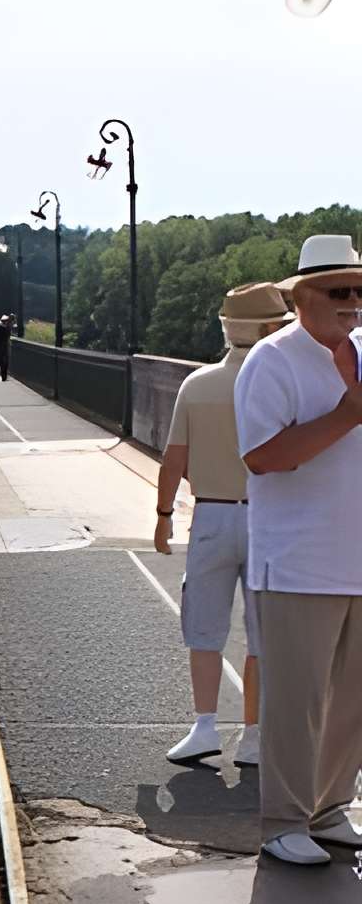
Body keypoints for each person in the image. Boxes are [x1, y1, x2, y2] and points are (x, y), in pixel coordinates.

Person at [234, 234, 362, 865]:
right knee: (297, 701)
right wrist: (349, 413)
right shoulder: (273, 360)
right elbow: (263, 456)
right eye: (339, 290)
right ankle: (284, 820)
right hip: (298, 565)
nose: (353, 302)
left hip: (357, 562)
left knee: (352, 703)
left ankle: (328, 807)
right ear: (300, 296)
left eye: (360, 290)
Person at [156, 283, 287, 767]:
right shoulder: (281, 383)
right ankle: (253, 733)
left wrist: (164, 516)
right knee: (261, 633)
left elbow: (174, 460)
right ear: (270, 329)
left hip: (211, 515)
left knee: (203, 627)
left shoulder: (197, 385)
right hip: (266, 517)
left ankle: (204, 725)